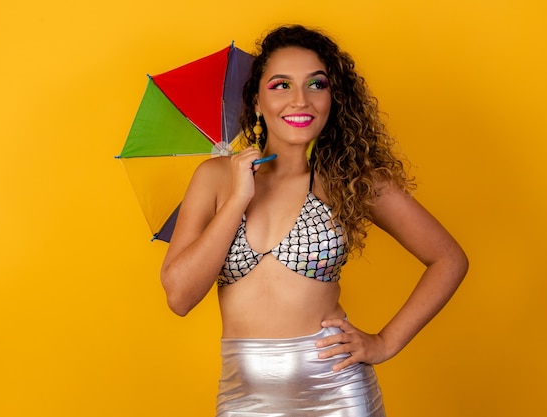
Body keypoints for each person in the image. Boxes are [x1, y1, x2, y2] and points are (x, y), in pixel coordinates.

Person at [160, 24, 468, 417]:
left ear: (333, 99)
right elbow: (179, 297)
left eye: (316, 85)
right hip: (244, 399)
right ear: (256, 100)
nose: (300, 100)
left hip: (336, 392)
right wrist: (238, 198)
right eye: (281, 85)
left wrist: (384, 343)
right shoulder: (215, 178)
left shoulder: (351, 178)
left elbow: (448, 259)